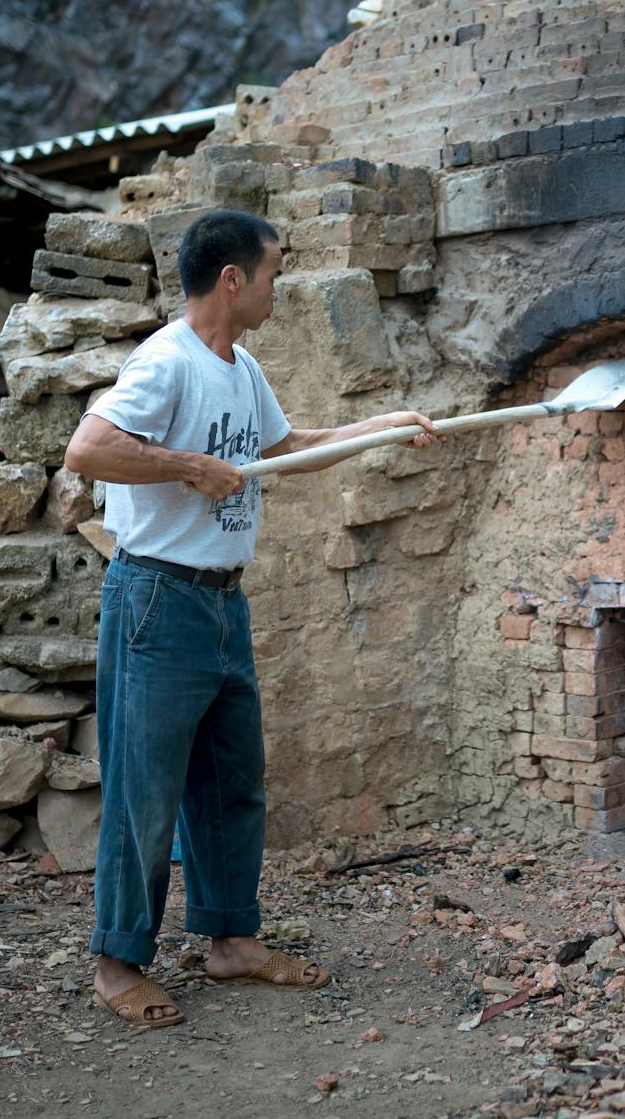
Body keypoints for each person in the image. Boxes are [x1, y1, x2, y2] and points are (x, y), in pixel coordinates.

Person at [62, 209, 441, 1029]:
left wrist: (382, 428)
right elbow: (87, 450)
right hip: (158, 599)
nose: (280, 285)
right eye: (273, 271)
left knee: (233, 784)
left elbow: (287, 445)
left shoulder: (241, 366)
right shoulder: (167, 362)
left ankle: (231, 941)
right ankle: (117, 959)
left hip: (222, 602)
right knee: (145, 790)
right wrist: (189, 466)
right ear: (232, 279)